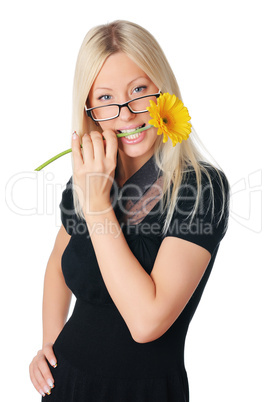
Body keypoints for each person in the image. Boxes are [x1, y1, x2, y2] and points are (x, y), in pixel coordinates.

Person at [29, 20, 229, 401]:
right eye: (105, 98)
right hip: (66, 386)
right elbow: (58, 261)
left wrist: (99, 205)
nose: (126, 114)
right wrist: (49, 346)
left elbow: (146, 322)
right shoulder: (90, 178)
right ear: (89, 110)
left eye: (139, 90)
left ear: (162, 91)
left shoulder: (202, 188)